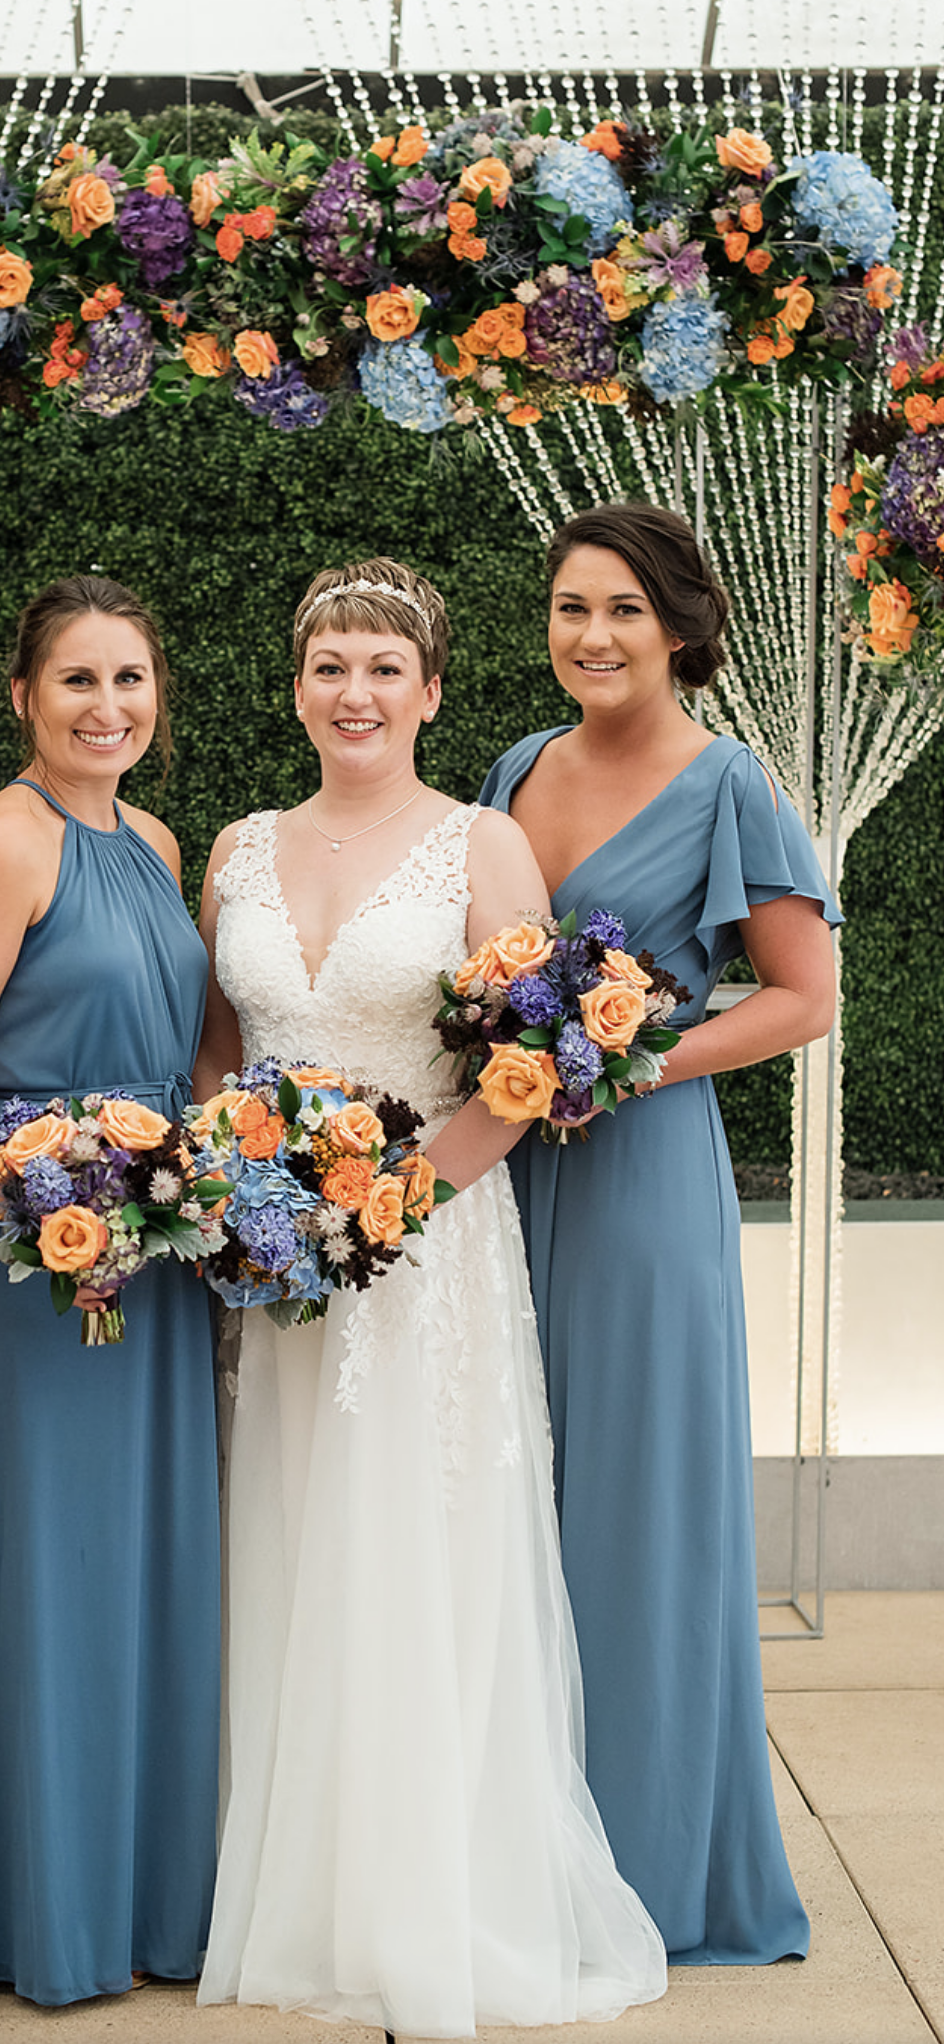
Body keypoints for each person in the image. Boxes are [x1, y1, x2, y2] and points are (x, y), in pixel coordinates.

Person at [194, 557, 667, 2038]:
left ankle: (432, 1894)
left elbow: (521, 1077)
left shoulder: (484, 847)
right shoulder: (238, 849)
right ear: (297, 685)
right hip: (276, 1257)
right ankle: (304, 1884)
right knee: (289, 1536)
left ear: (434, 691)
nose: (356, 690)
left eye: (385, 667)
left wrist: (389, 1206)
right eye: (331, 663)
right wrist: (246, 1199)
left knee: (417, 1547)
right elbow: (217, 1049)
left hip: (427, 1248)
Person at [481, 501, 839, 1964]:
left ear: (679, 629)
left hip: (640, 1186)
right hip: (511, 1171)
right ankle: (524, 1855)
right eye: (573, 608)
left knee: (635, 1509)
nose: (595, 636)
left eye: (624, 610)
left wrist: (630, 1059)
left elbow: (802, 998)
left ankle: (661, 1869)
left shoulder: (731, 783)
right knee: (516, 1501)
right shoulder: (514, 768)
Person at [0, 575, 219, 2005]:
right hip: (26, 1274)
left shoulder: (151, 839)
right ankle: (25, 1914)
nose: (107, 708)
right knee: (35, 1578)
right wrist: (40, 1214)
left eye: (130, 681)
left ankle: (149, 1903)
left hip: (154, 1258)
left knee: (139, 1574)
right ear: (20, 700)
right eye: (77, 682)